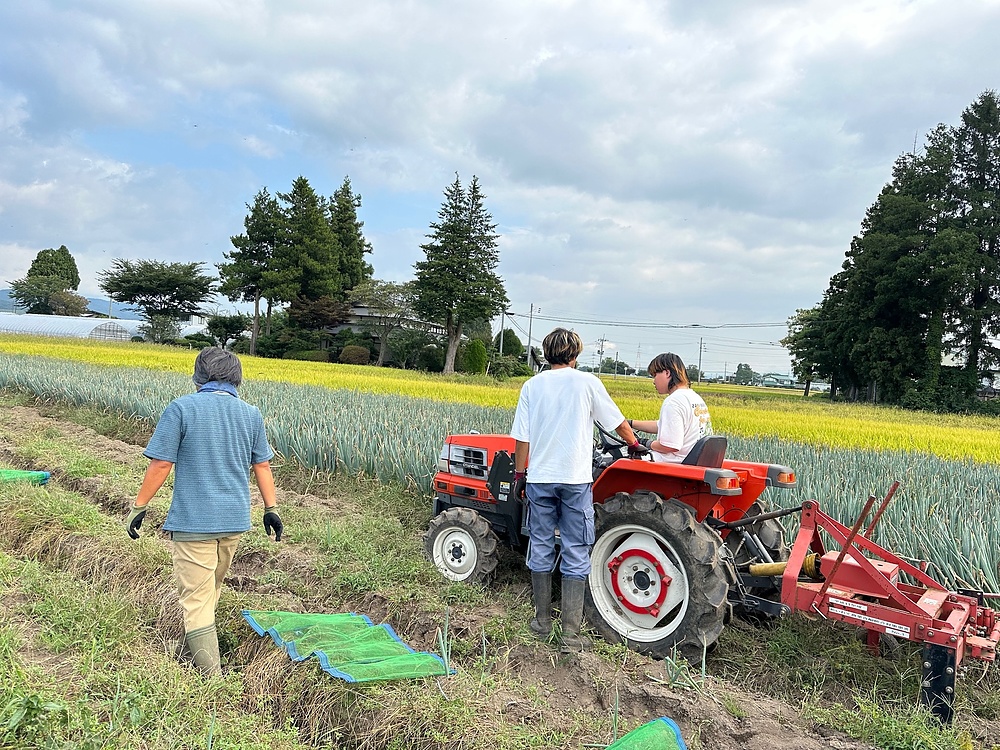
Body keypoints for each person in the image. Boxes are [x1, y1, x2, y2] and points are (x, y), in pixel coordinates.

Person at [124, 347, 282, 676]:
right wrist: (271, 508)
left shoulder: (182, 408)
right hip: (233, 520)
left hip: (195, 521)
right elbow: (262, 465)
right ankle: (199, 647)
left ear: (199, 376)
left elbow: (162, 463)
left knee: (195, 598)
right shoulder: (250, 413)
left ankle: (212, 680)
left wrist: (139, 506)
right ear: (236, 378)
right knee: (211, 586)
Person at [510, 328, 644, 652]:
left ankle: (541, 622)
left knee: (540, 544)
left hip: (540, 478)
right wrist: (635, 444)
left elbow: (522, 439)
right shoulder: (588, 383)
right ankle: (570, 634)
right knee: (575, 547)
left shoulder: (531, 386)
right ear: (575, 355)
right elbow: (617, 423)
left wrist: (519, 475)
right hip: (575, 480)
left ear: (546, 353)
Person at [629, 353, 712, 463]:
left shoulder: (673, 401)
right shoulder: (694, 397)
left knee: (618, 462)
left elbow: (670, 446)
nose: (654, 381)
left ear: (667, 373)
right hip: (693, 461)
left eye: (655, 375)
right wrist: (630, 423)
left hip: (675, 463)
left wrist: (643, 442)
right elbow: (666, 425)